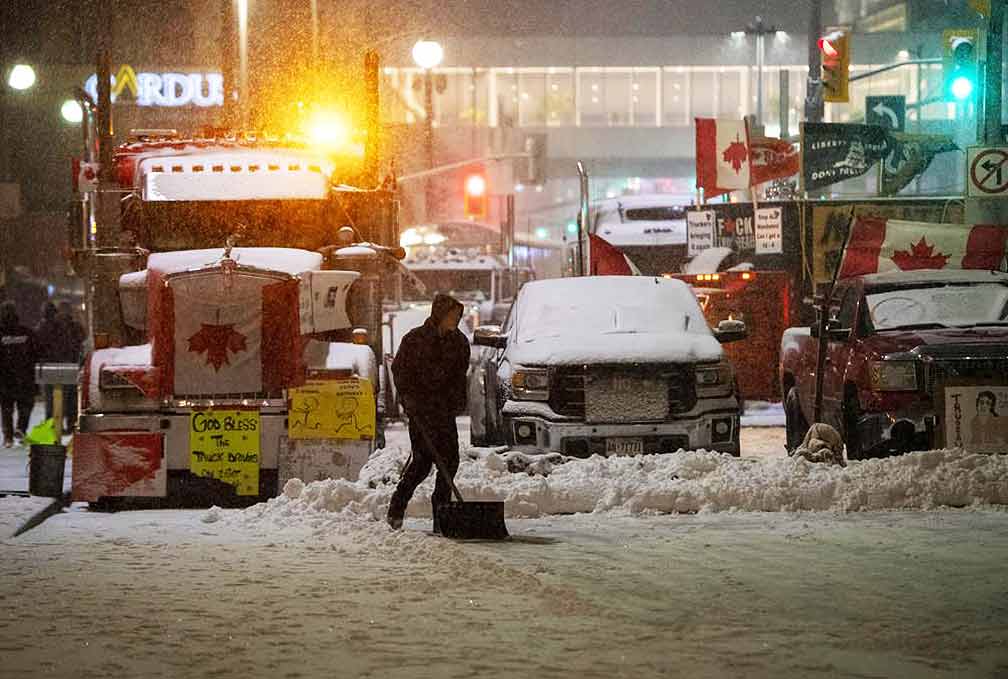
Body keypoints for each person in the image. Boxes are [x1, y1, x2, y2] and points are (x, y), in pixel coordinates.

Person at [387, 293, 469, 532]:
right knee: (422, 463)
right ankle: (397, 505)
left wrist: (457, 402)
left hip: (444, 411)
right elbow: (400, 371)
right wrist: (409, 401)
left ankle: (441, 512)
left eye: (458, 316)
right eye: (452, 316)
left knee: (450, 461)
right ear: (439, 315)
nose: (455, 320)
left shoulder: (459, 343)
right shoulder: (415, 339)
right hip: (421, 410)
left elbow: (459, 377)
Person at [0, 302, 40, 447]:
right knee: (26, 405)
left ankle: (8, 437)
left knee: (6, 409)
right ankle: (21, 429)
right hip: (25, 377)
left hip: (5, 378)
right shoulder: (26, 332)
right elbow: (37, 352)